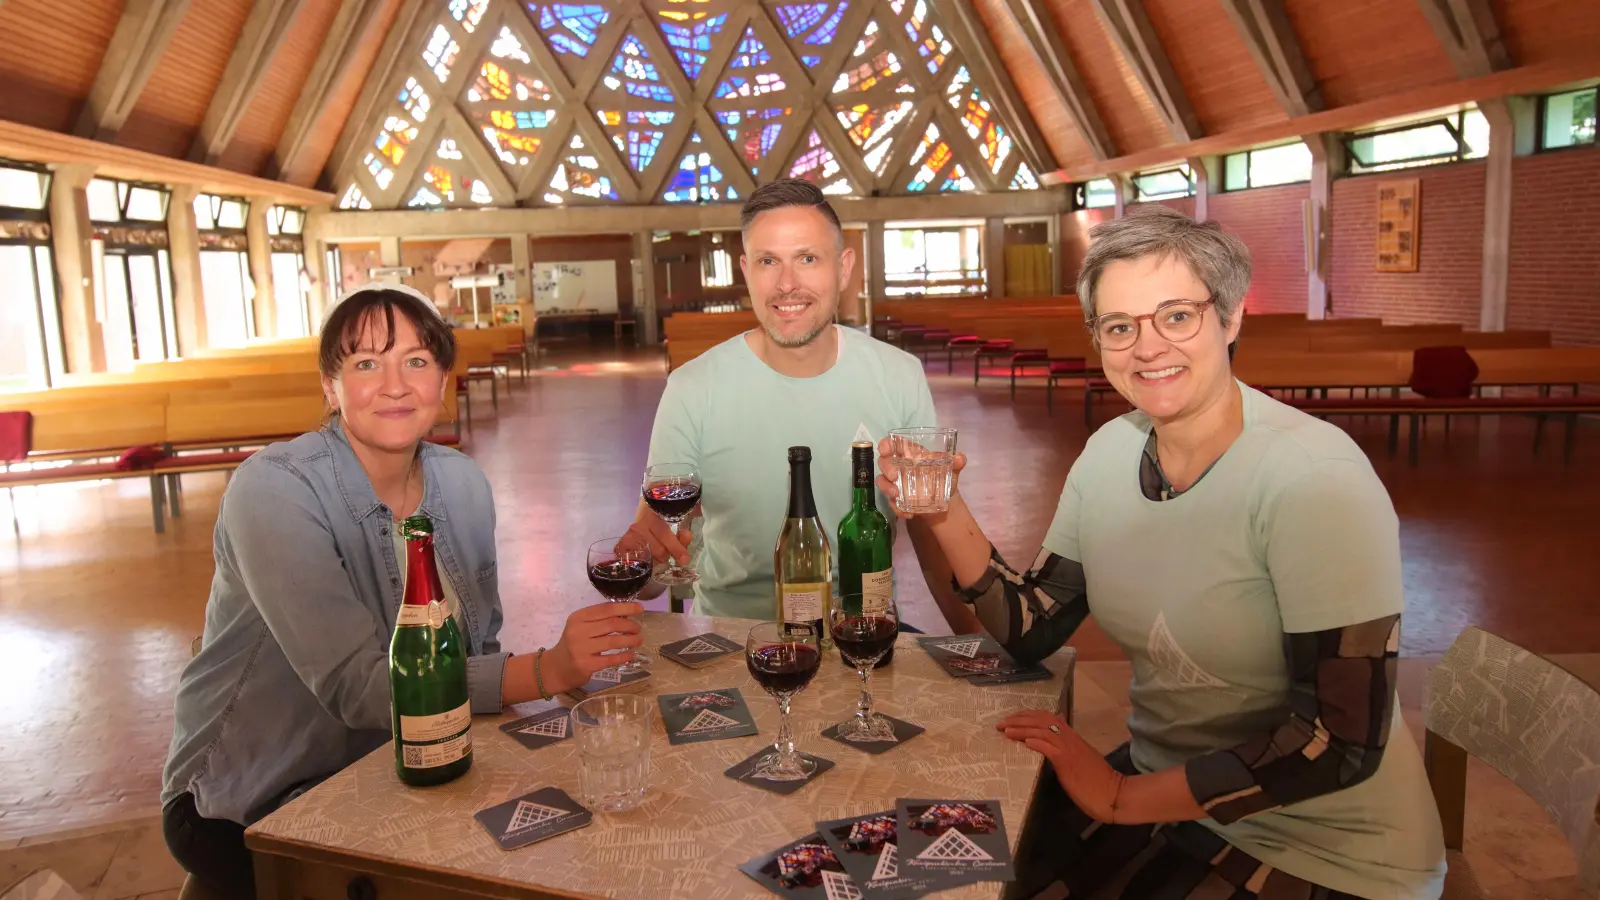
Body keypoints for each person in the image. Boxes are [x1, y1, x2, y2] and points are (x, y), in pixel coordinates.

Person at [877, 206, 1447, 899]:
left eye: (1176, 316)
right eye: (1120, 327)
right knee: (936, 866)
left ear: (1231, 317)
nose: (1147, 349)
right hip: (1162, 784)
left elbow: (1340, 744)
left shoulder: (1313, 478)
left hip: (1321, 844)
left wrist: (1119, 798)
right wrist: (944, 508)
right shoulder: (1110, 452)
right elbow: (1035, 627)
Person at [160, 284, 643, 897]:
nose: (395, 385)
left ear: (442, 380)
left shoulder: (463, 483)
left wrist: (560, 677)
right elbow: (359, 689)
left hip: (412, 762)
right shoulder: (274, 490)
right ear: (330, 388)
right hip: (253, 796)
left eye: (416, 361)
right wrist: (545, 671)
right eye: (366, 364)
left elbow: (476, 649)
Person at [629, 179, 957, 624]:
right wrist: (645, 561)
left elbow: (934, 537)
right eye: (768, 261)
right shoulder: (691, 388)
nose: (787, 284)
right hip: (733, 636)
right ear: (746, 270)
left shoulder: (899, 375)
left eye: (807, 258)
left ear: (843, 269)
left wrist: (973, 647)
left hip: (863, 625)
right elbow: (656, 567)